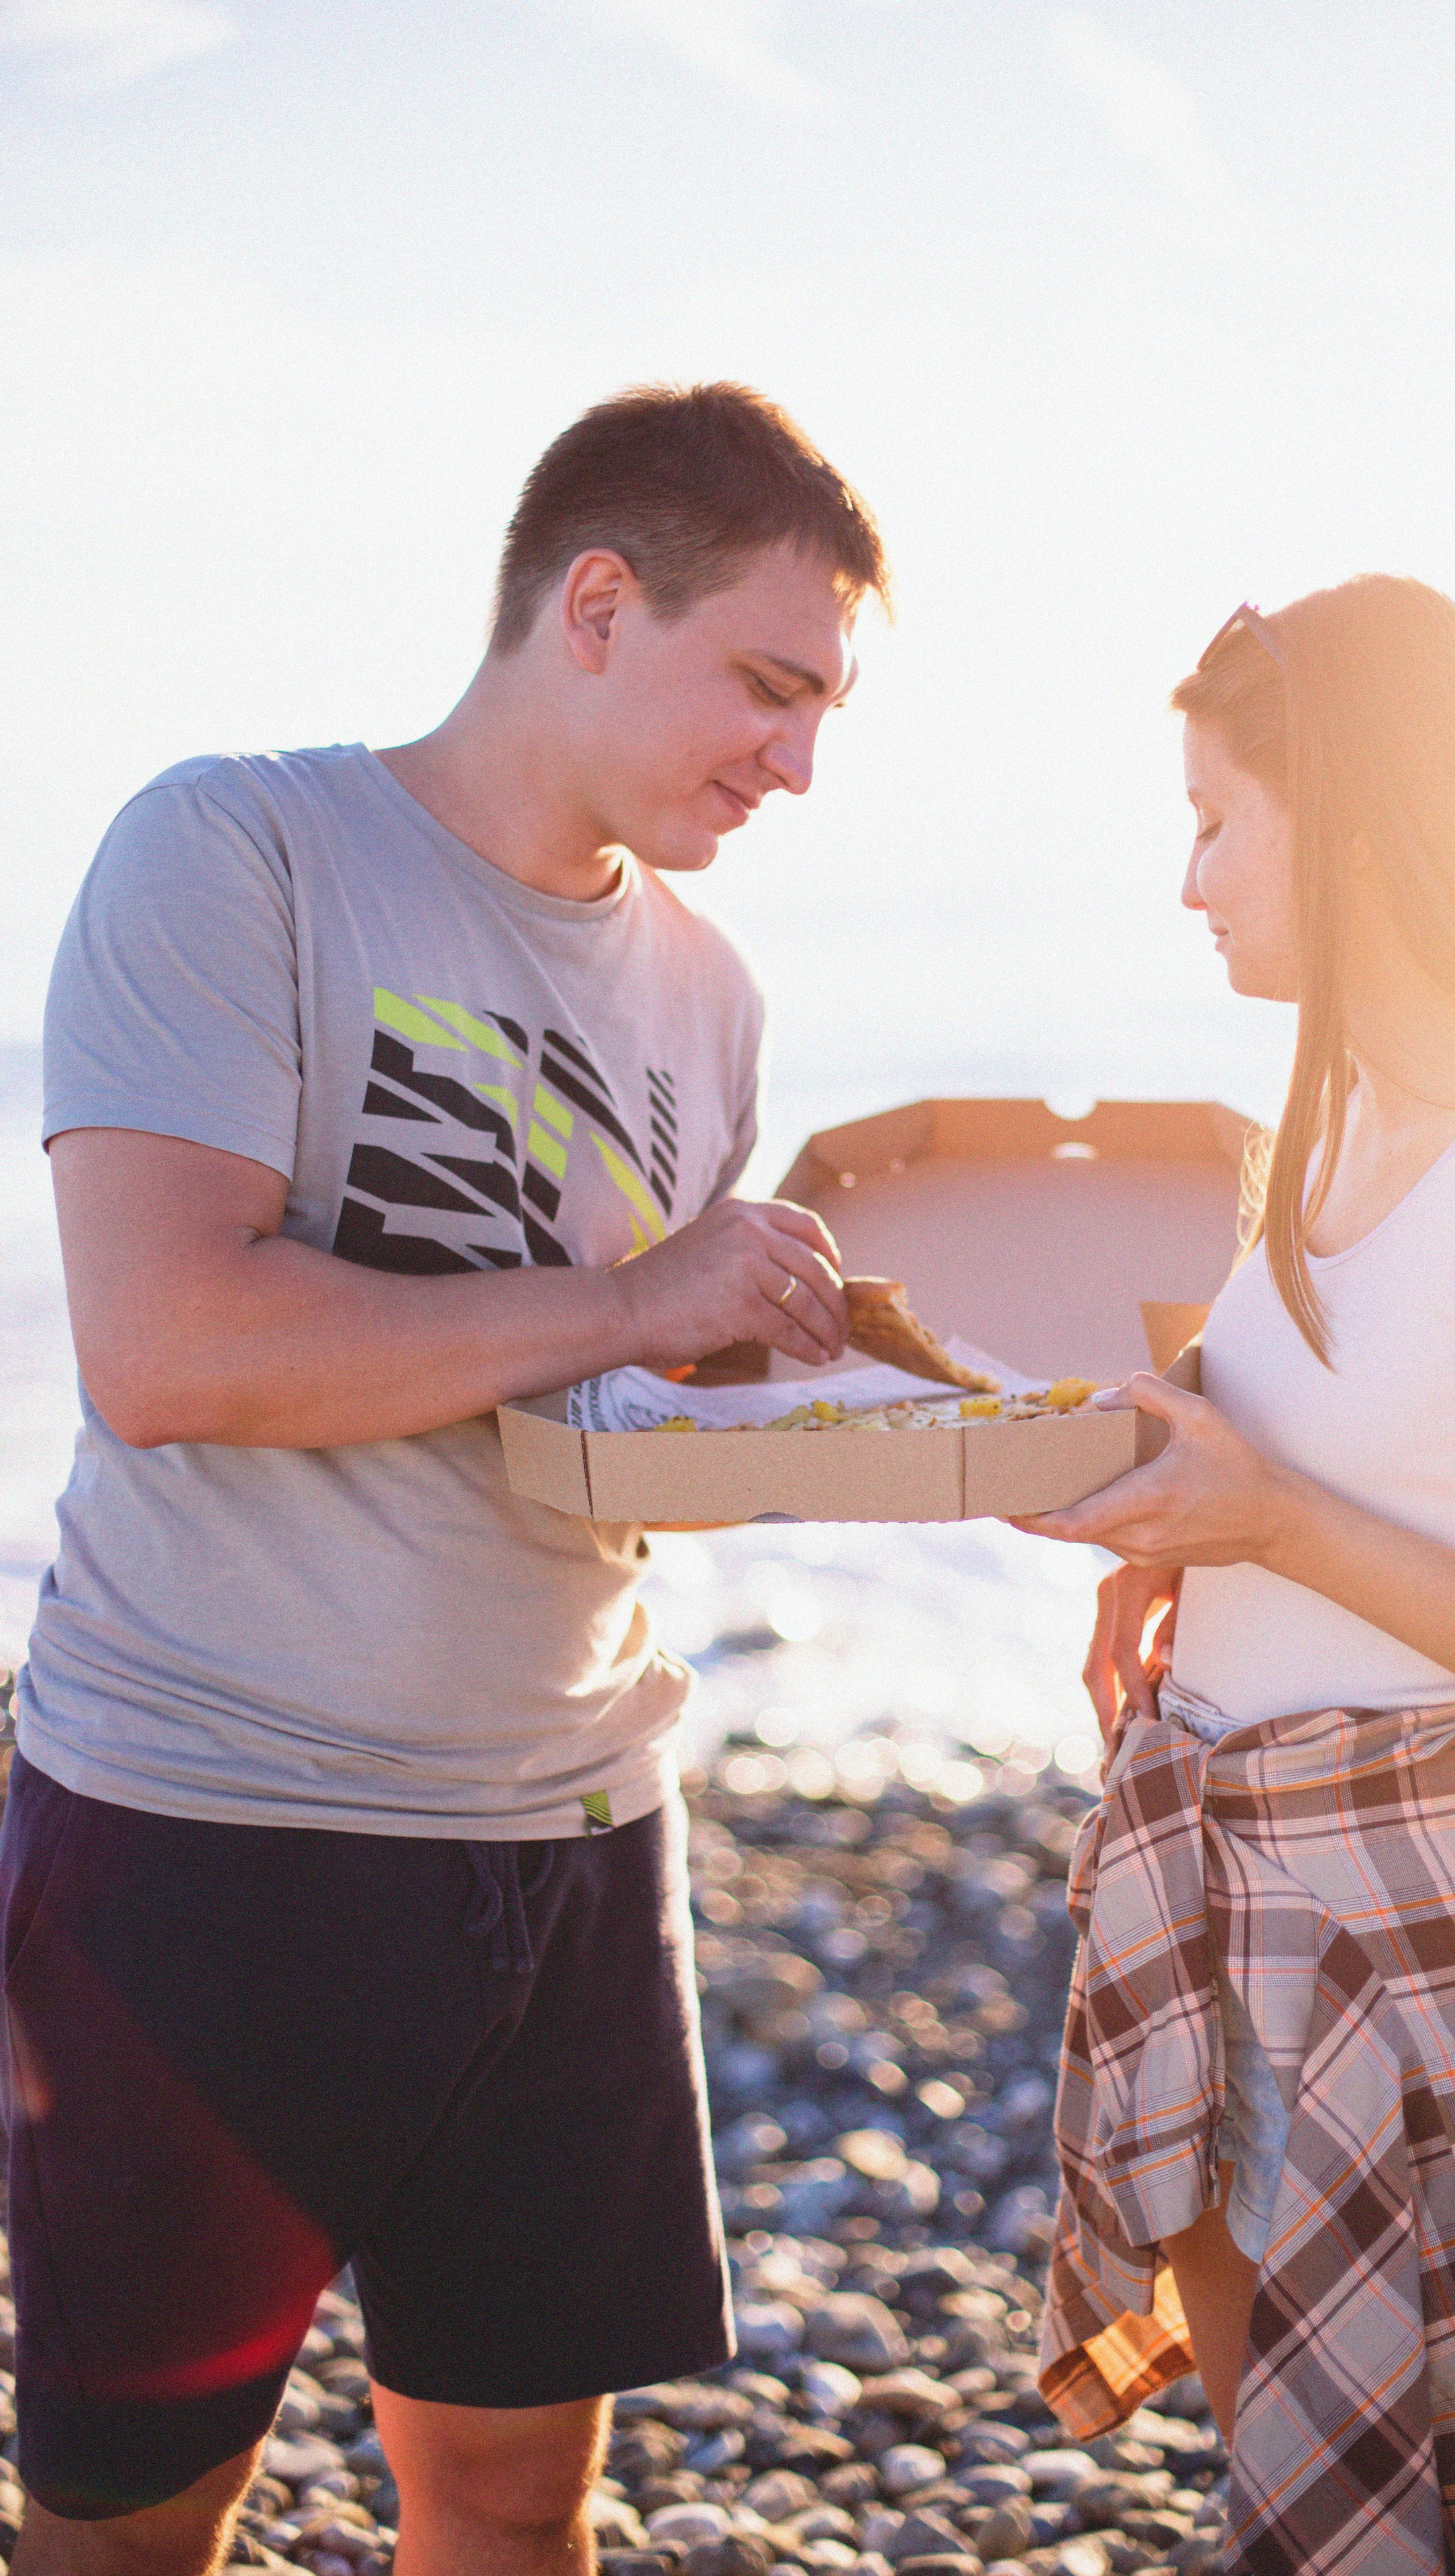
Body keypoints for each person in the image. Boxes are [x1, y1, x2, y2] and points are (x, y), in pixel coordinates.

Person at [1, 382, 887, 2575]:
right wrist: (633, 1298)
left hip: (575, 1840)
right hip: (216, 1836)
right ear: (596, 604)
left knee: (510, 2502)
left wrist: (856, 1423)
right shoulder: (236, 851)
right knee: (125, 2528)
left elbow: (588, 1428)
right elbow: (176, 1349)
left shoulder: (714, 993)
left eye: (824, 711)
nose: (798, 763)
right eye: (767, 688)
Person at [1017, 577, 1455, 2571]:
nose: (1190, 881)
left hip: (1425, 1939)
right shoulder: (1331, 1130)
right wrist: (1161, 1518)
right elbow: (1322, 1453)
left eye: (1217, 819)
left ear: (1357, 823)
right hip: (1243, 1900)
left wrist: (1278, 1527)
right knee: (1310, 2512)